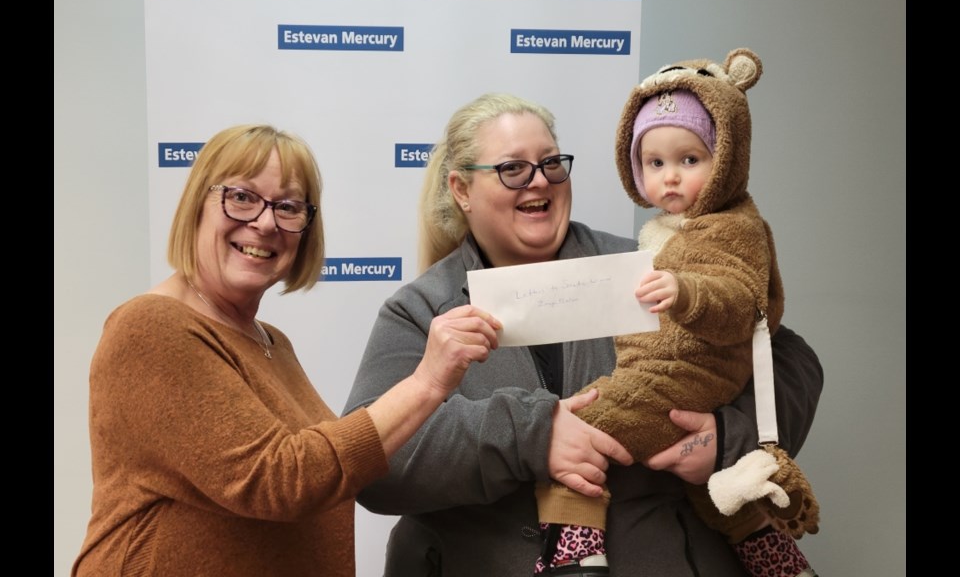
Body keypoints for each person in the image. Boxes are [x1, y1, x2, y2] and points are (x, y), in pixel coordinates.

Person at [343, 92, 824, 576]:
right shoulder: (422, 311)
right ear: (462, 189)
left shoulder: (647, 265)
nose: (539, 181)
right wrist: (531, 437)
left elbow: (786, 356)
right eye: (513, 168)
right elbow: (372, 462)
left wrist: (726, 437)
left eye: (552, 163)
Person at [71, 124, 501, 577]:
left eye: (288, 206)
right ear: (197, 204)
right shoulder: (153, 327)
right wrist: (427, 383)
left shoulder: (271, 341)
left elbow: (337, 469)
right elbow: (281, 481)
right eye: (241, 196)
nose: (265, 221)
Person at [533, 49, 819, 577]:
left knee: (582, 431)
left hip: (687, 374)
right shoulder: (666, 233)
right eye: (654, 163)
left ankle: (572, 554)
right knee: (719, 495)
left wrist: (686, 293)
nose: (669, 178)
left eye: (690, 160)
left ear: (727, 158)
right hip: (674, 373)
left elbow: (745, 304)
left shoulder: (732, 227)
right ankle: (780, 563)